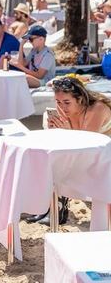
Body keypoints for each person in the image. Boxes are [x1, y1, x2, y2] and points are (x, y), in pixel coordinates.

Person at [27, 75, 111, 226]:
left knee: (62, 162)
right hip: (90, 151)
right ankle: (50, 206)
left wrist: (66, 131)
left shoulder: (96, 109)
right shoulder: (64, 110)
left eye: (67, 102)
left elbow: (88, 144)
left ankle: (58, 208)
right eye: (58, 102)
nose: (62, 107)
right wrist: (55, 131)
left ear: (80, 100)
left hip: (104, 153)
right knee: (51, 158)